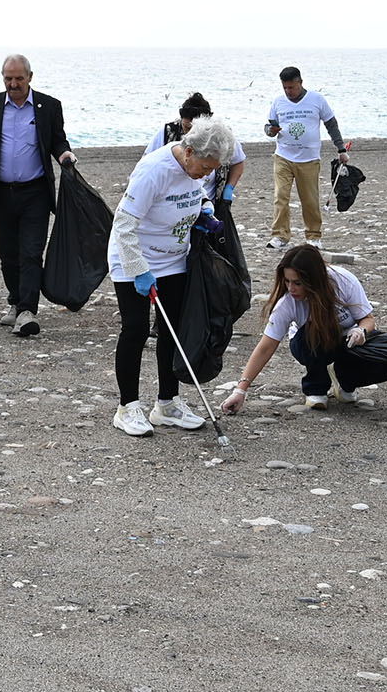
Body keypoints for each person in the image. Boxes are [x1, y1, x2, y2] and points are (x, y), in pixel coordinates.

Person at [108, 117, 236, 436]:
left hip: (174, 258)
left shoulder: (196, 167)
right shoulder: (155, 170)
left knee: (172, 331)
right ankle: (127, 408)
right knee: (136, 330)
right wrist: (139, 271)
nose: (207, 173)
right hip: (133, 256)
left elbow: (197, 195)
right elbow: (123, 225)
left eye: (212, 170)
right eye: (206, 167)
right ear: (189, 151)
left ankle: (167, 404)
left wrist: (205, 212)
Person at [0, 54, 75, 337]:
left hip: (35, 191)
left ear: (30, 78)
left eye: (19, 79)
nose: (13, 84)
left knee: (31, 253)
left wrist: (64, 154)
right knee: (8, 255)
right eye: (8, 79)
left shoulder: (48, 106)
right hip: (0, 193)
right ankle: (15, 300)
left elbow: (57, 139)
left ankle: (26, 311)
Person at [220, 244, 387, 413]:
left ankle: (344, 380)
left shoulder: (344, 281)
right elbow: (265, 347)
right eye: (287, 281)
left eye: (298, 283)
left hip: (349, 341)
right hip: (311, 343)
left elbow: (368, 319)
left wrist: (361, 331)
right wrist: (240, 390)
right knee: (314, 333)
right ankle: (316, 387)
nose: (291, 288)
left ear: (316, 279)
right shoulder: (287, 304)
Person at [263, 67, 349, 249]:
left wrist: (341, 148)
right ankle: (280, 236)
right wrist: (271, 131)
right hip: (283, 156)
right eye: (285, 88)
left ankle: (313, 236)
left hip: (308, 158)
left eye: (292, 87)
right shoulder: (278, 102)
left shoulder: (317, 100)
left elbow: (331, 124)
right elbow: (269, 128)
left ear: (300, 83)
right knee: (280, 196)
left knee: (309, 199)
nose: (288, 91)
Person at [149, 91, 246, 227]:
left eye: (194, 129)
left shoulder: (220, 137)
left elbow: (238, 161)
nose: (191, 134)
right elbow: (149, 161)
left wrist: (228, 190)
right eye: (187, 127)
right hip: (174, 206)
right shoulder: (168, 132)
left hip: (209, 206)